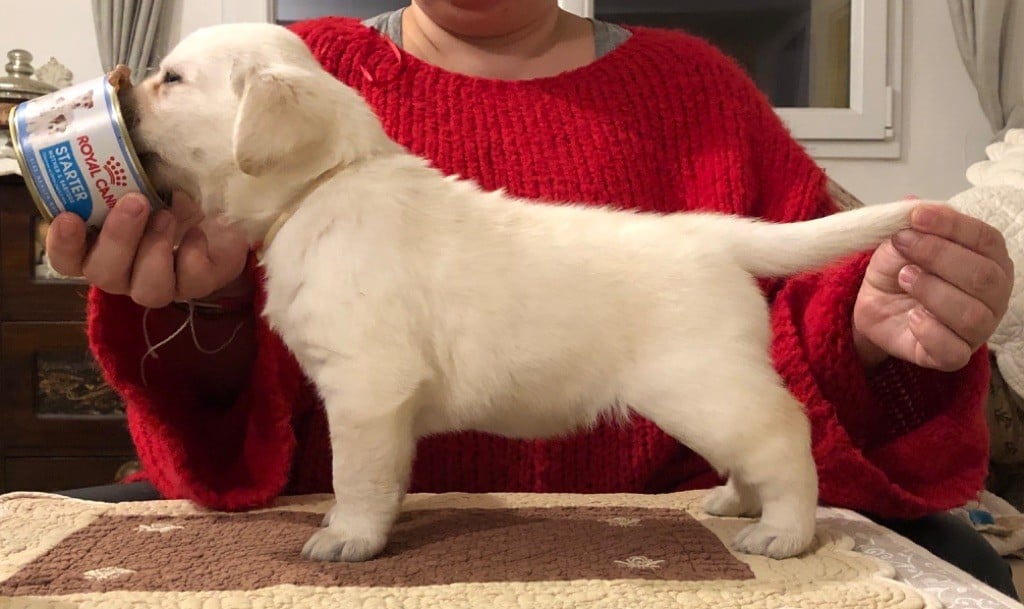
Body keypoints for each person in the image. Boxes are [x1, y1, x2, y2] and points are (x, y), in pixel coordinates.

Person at [45, 0, 1016, 597]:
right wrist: (195, 308)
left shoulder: (698, 89)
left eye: (171, 83)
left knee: (732, 408)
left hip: (657, 539)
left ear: (270, 125)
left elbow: (803, 295)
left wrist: (874, 322)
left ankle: (773, 478)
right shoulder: (316, 91)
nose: (150, 97)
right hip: (337, 540)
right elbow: (243, 403)